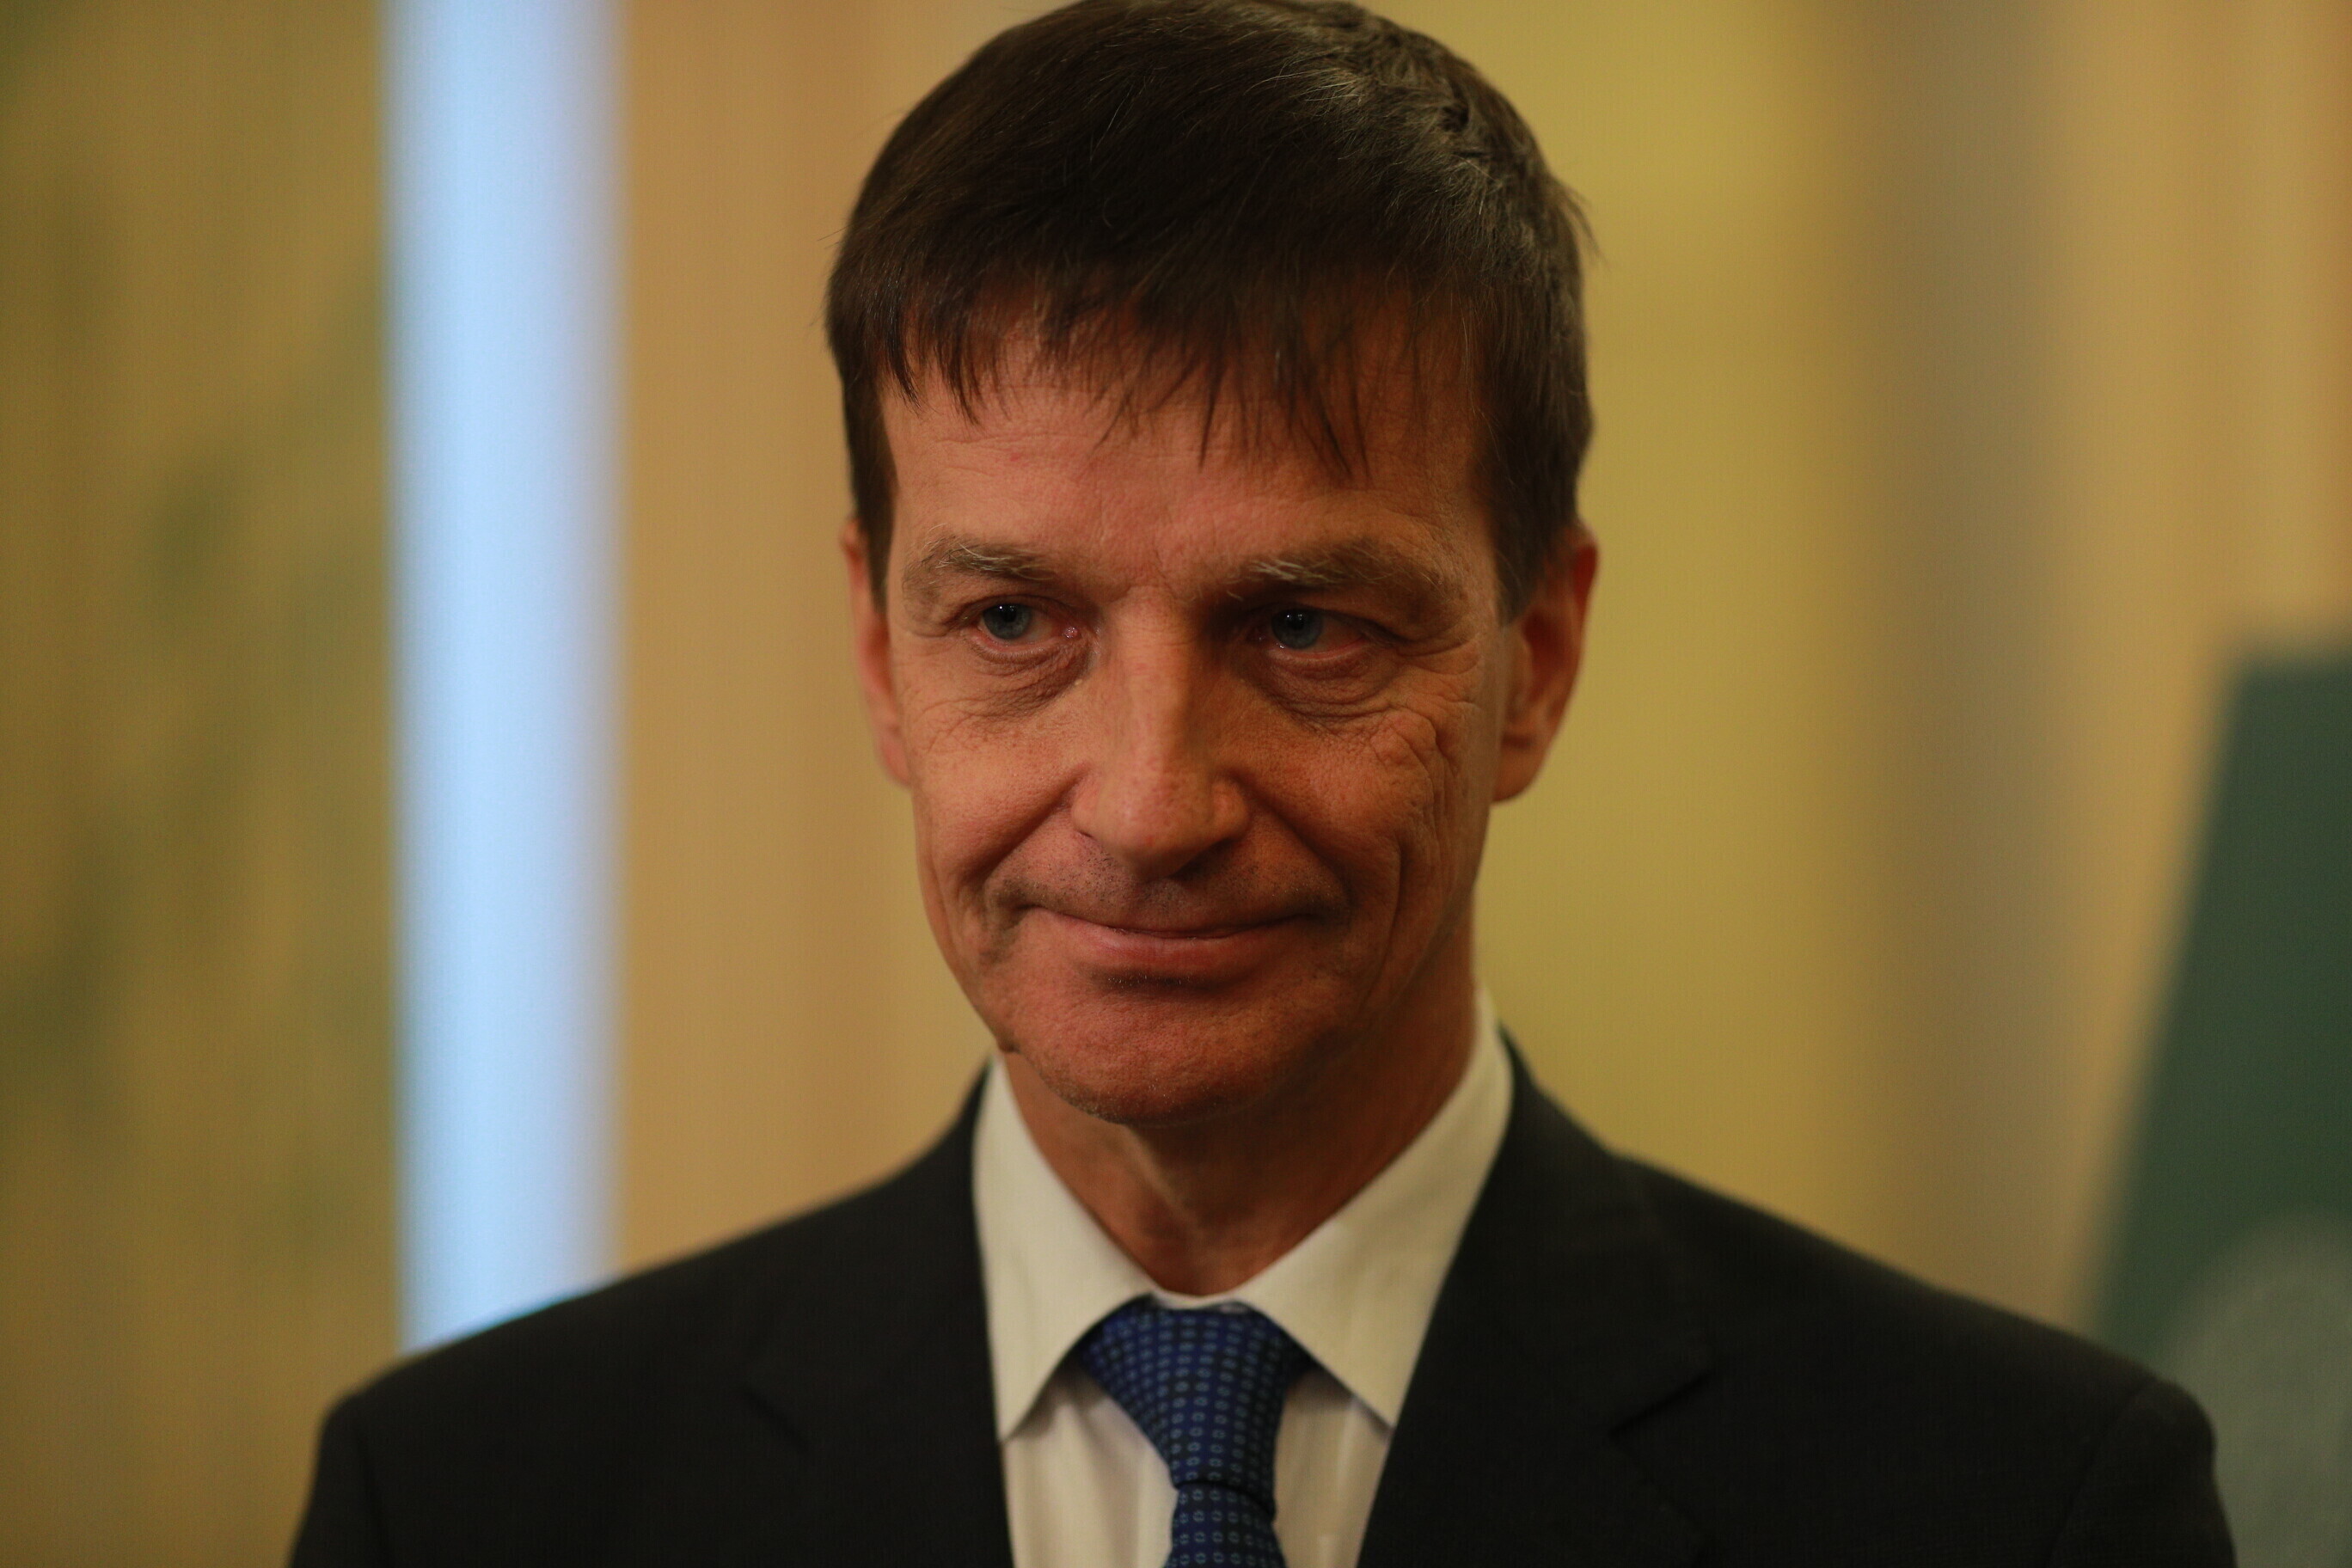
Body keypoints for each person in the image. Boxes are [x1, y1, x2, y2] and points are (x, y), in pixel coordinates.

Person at [291, 3, 2233, 1563]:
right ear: (883, 656)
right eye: (1014, 623)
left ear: (1538, 661)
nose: (1151, 806)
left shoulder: (2017, 1509)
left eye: (1305, 628)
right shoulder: (468, 1505)